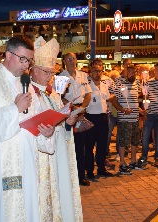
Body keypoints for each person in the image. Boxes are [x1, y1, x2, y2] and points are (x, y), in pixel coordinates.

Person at [0, 36, 45, 221]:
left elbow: (34, 119)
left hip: (26, 161)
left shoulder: (25, 84)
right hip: (0, 164)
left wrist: (45, 131)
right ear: (8, 55)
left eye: (29, 60)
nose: (26, 66)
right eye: (23, 59)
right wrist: (14, 109)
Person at [28, 37, 83, 221]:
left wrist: (68, 122)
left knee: (59, 191)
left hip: (58, 152)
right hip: (41, 156)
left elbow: (60, 119)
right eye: (45, 71)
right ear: (34, 70)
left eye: (51, 72)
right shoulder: (28, 93)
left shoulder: (53, 93)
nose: (49, 76)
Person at [58, 52, 92, 186]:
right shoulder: (61, 77)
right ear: (64, 61)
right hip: (70, 115)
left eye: (74, 58)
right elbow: (59, 96)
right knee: (72, 146)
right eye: (69, 59)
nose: (72, 61)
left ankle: (81, 175)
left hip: (83, 113)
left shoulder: (83, 75)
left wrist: (82, 107)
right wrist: (74, 108)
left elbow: (88, 94)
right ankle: (71, 176)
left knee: (83, 146)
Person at [112, 64, 146, 173]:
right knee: (123, 141)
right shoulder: (119, 82)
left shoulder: (136, 83)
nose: (132, 73)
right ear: (125, 71)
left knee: (135, 141)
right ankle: (122, 163)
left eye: (134, 71)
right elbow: (114, 100)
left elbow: (135, 100)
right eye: (130, 71)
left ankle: (133, 161)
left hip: (135, 117)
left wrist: (141, 111)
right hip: (124, 118)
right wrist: (123, 110)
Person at [85, 64, 114, 179]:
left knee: (102, 145)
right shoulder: (87, 86)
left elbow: (106, 98)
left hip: (103, 117)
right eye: (96, 71)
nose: (98, 73)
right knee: (89, 146)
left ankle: (101, 168)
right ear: (91, 72)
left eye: (100, 71)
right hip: (91, 117)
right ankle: (90, 170)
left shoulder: (103, 85)